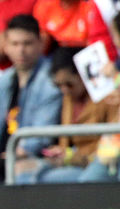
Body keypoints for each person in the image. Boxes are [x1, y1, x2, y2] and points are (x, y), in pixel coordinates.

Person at [15, 46, 119, 182]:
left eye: (69, 84)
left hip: (100, 164)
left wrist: (72, 157)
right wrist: (61, 154)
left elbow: (109, 147)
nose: (64, 90)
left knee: (83, 181)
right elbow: (66, 143)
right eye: (58, 85)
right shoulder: (68, 99)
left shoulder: (108, 98)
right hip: (73, 165)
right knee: (25, 174)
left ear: (82, 76)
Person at [0, 13, 61, 179]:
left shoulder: (50, 80)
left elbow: (41, 136)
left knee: (21, 173)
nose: (21, 50)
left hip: (36, 158)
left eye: (27, 43)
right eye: (15, 44)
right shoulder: (3, 80)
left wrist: (14, 153)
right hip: (3, 158)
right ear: (6, 46)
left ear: (41, 43)